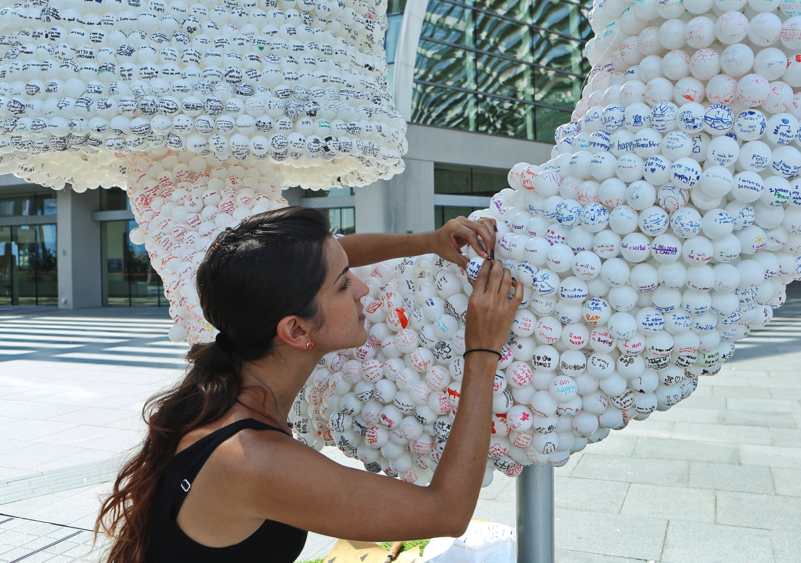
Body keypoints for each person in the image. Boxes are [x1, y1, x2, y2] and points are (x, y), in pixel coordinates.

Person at [95, 206, 523, 563]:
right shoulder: (255, 461)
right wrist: (483, 350)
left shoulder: (229, 379)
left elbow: (335, 257)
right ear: (297, 331)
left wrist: (427, 241)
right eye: (343, 285)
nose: (362, 286)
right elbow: (446, 513)